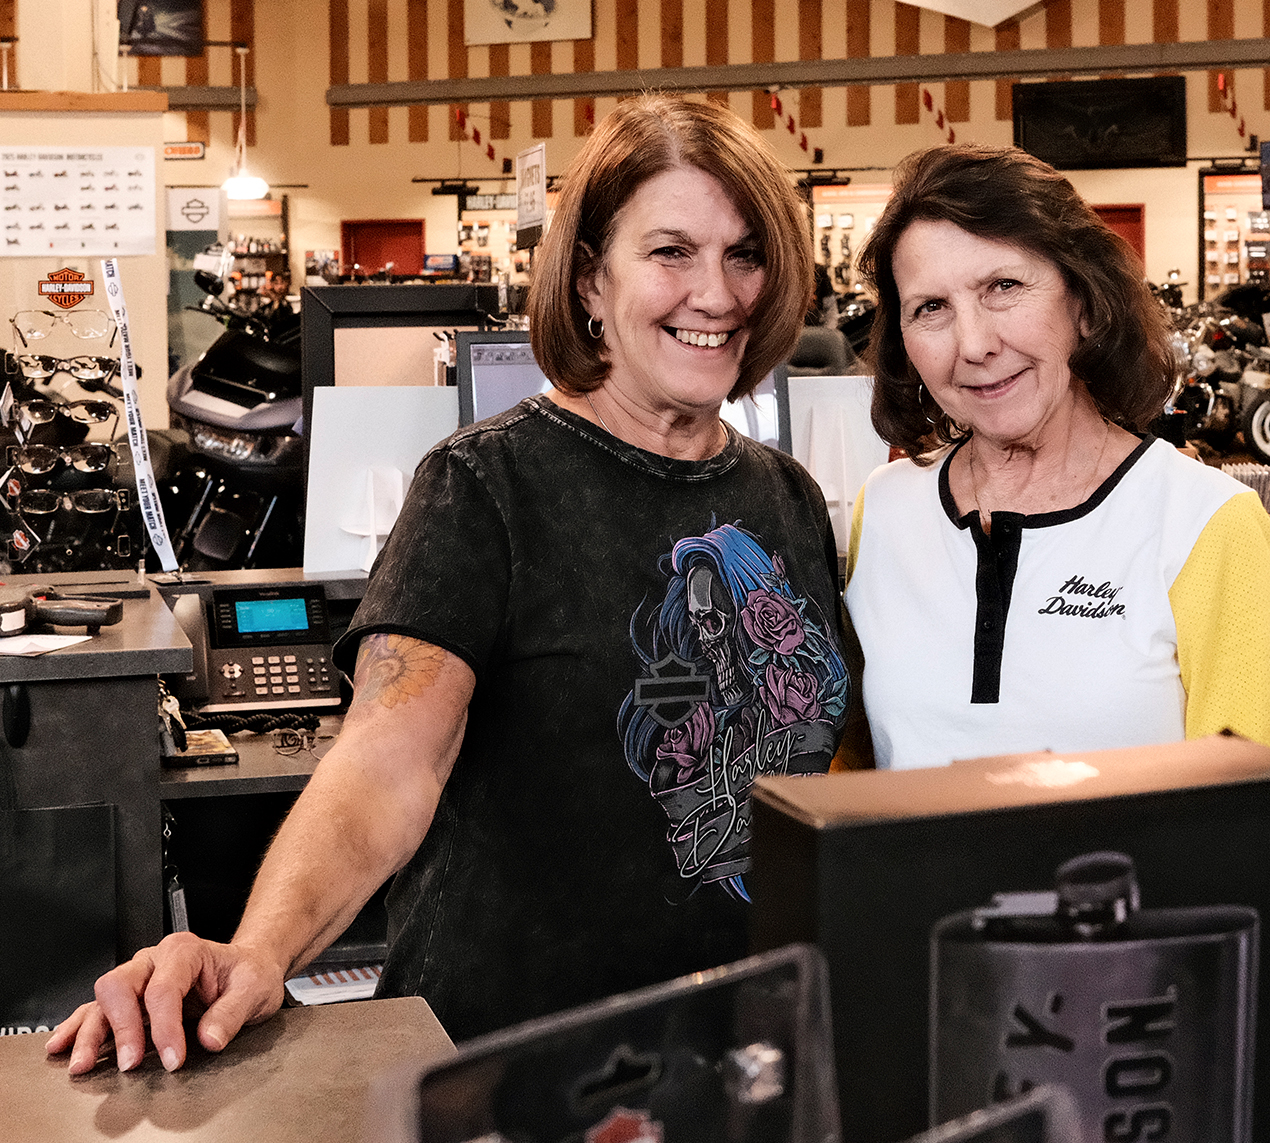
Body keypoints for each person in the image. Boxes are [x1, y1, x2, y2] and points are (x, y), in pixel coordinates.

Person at [48, 94, 849, 1073]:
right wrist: (259, 950)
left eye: (744, 254)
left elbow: (813, 762)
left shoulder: (786, 497)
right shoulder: (488, 487)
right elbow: (390, 758)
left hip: (741, 1056)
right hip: (522, 1074)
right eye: (671, 251)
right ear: (591, 280)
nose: (716, 293)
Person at [843, 144, 1270, 770]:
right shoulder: (886, 508)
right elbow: (855, 774)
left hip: (1114, 874)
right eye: (931, 308)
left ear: (1084, 304)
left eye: (1003, 287)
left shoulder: (1204, 522)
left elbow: (1255, 814)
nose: (973, 345)